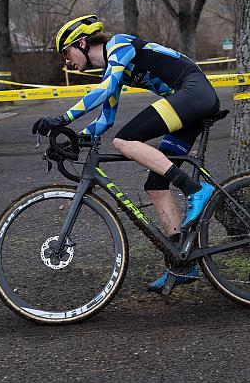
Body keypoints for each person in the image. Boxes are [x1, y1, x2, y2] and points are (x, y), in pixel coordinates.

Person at [32, 15, 221, 293]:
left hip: (193, 93)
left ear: (82, 43)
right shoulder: (112, 69)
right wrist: (74, 141)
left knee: (125, 141)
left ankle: (195, 190)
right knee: (155, 185)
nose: (67, 61)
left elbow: (106, 90)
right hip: (188, 103)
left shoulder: (120, 45)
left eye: (67, 52)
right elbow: (105, 120)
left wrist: (63, 118)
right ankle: (183, 263)